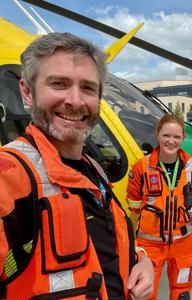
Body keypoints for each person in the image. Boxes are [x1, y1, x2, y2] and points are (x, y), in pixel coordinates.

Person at [0, 32, 154, 300]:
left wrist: (141, 259)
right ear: (27, 91)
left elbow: (108, 241)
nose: (75, 101)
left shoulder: (93, 168)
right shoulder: (10, 176)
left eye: (87, 88)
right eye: (59, 84)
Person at [126, 114, 192, 300]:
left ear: (183, 138)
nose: (171, 141)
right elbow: (133, 202)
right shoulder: (141, 168)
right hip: (150, 244)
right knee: (145, 293)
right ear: (157, 135)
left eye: (176, 137)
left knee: (182, 293)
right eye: (166, 135)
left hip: (184, 242)